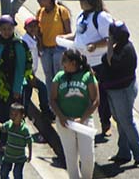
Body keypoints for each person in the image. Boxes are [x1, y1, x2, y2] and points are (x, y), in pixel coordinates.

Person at [60, 0, 113, 136]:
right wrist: (66, 38)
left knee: (100, 96)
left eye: (81, 0)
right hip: (83, 63)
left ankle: (105, 123)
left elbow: (109, 39)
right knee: (84, 95)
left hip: (98, 64)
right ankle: (83, 121)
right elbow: (78, 35)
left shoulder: (101, 17)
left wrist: (95, 45)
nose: (79, 2)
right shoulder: (82, 16)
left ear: (89, 2)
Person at [50, 49, 100, 179]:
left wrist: (82, 119)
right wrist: (61, 117)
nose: (62, 64)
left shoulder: (88, 76)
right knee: (71, 159)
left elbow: (96, 100)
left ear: (73, 62)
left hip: (84, 122)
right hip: (65, 122)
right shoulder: (59, 77)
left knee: (88, 157)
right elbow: (53, 100)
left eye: (64, 61)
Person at [103, 20, 139, 167]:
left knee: (126, 122)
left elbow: (110, 62)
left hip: (123, 91)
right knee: (120, 121)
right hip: (115, 91)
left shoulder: (126, 49)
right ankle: (124, 153)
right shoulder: (120, 46)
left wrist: (109, 46)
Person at [0, 15, 28, 153]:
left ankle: (15, 144)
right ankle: (3, 143)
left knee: (13, 117)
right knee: (1, 115)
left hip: (12, 87)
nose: (6, 32)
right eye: (3, 29)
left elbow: (20, 68)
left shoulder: (17, 45)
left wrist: (17, 89)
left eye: (9, 29)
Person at [36, 0, 72, 87]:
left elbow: (69, 31)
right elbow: (38, 31)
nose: (38, 1)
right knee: (48, 76)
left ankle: (61, 99)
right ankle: (50, 100)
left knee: (59, 75)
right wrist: (40, 45)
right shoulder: (40, 12)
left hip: (59, 49)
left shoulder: (62, 11)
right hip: (45, 49)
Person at [22, 17, 53, 119]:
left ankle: (25, 113)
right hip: (27, 73)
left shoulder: (34, 39)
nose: (33, 28)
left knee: (27, 94)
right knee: (42, 88)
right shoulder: (25, 41)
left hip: (31, 72)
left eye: (35, 26)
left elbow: (40, 53)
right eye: (30, 26)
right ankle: (45, 111)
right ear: (25, 28)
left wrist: (39, 40)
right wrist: (30, 74)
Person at [0, 103, 33, 179]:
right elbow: (2, 127)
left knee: (17, 174)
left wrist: (30, 155)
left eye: (16, 115)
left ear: (22, 115)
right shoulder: (9, 124)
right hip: (8, 156)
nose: (13, 117)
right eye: (11, 114)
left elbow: (29, 142)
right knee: (3, 173)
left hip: (20, 158)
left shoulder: (24, 130)